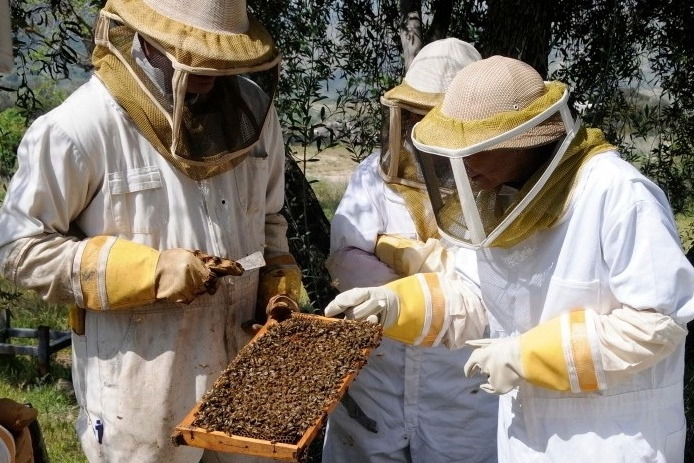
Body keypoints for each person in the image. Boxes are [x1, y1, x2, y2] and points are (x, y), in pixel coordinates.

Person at [326, 55, 694, 462]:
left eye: (474, 148)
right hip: (523, 438)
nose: (461, 163)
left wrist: (529, 356)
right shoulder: (496, 197)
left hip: (612, 439)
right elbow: (472, 296)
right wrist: (397, 304)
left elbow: (658, 321)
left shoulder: (618, 193)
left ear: (522, 139)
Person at [0, 0, 302, 461]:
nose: (211, 69)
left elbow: (269, 217)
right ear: (146, 35)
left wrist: (277, 277)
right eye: (192, 51)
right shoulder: (80, 127)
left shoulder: (255, 110)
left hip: (247, 367)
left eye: (222, 55)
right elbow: (19, 251)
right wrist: (147, 271)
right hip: (141, 383)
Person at [323, 38, 497, 463]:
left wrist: (394, 257)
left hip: (459, 385)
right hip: (378, 373)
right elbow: (345, 261)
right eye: (419, 117)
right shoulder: (375, 175)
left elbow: (494, 290)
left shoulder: (497, 192)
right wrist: (430, 283)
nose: (426, 129)